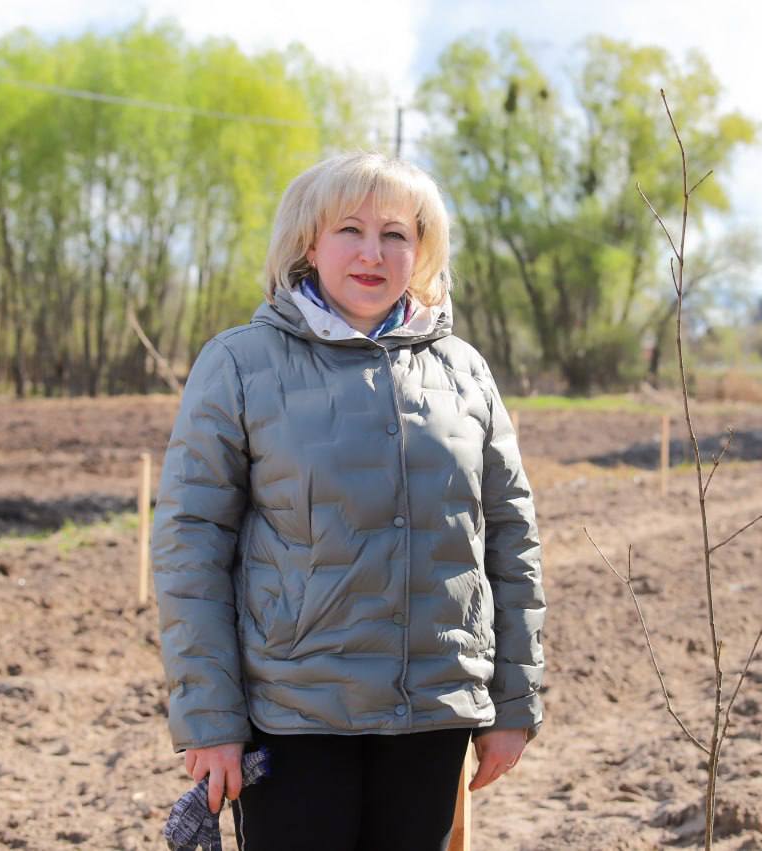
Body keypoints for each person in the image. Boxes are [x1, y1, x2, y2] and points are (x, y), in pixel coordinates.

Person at [152, 151, 545, 851]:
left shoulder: (465, 372)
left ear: (420, 249)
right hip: (292, 717)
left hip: (433, 712)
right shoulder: (239, 364)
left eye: (395, 234)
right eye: (350, 230)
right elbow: (191, 547)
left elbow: (510, 538)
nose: (373, 253)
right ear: (310, 244)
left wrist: (512, 703)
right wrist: (211, 719)